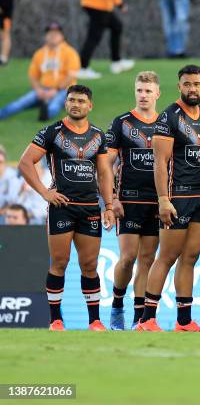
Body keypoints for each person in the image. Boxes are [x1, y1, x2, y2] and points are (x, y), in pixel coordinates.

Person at [18, 84, 115, 331]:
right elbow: (25, 162)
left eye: (81, 101)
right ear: (65, 103)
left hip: (90, 208)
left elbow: (104, 173)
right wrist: (44, 192)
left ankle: (94, 320)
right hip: (62, 207)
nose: (76, 104)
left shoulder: (98, 135)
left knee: (90, 265)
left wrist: (109, 206)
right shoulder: (52, 132)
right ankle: (55, 320)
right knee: (59, 262)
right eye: (72, 100)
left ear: (90, 105)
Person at [137, 65, 200, 332]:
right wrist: (163, 199)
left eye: (197, 84)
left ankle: (183, 321)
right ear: (179, 86)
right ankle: (147, 319)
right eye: (187, 84)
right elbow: (160, 163)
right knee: (167, 256)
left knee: (190, 257)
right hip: (177, 196)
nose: (192, 88)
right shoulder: (168, 117)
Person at [106, 71, 161, 331]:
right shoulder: (122, 123)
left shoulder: (166, 124)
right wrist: (111, 199)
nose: (143, 95)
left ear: (157, 94)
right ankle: (117, 305)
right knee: (128, 257)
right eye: (140, 90)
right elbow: (105, 165)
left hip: (157, 202)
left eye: (148, 91)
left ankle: (140, 317)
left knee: (147, 260)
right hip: (128, 201)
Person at [0, 22, 80, 121]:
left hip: (64, 90)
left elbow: (71, 75)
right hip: (43, 89)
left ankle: (45, 115)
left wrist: (56, 90)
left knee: (55, 105)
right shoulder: (40, 53)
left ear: (62, 36)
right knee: (20, 103)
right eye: (50, 34)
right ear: (46, 37)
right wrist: (38, 90)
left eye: (56, 34)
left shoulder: (70, 52)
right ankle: (2, 114)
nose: (53, 36)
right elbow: (33, 75)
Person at [77, 0, 134, 80]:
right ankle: (83, 68)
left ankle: (116, 62)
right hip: (98, 5)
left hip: (97, 4)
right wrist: (120, 4)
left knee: (117, 27)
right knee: (94, 37)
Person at [0, 144, 21, 215]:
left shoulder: (12, 177)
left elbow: (13, 202)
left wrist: (1, 212)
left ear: (5, 162)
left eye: (0, 162)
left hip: (7, 214)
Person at [0, 0, 14, 65]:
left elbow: (7, 3)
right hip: (5, 15)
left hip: (6, 16)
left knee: (6, 35)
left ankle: (4, 58)